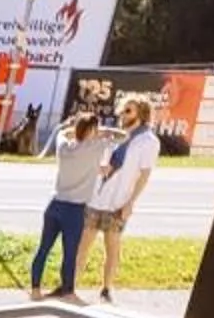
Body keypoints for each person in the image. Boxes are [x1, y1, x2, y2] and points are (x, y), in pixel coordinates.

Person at [87, 94, 161, 302]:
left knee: (112, 246)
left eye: (128, 110)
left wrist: (130, 203)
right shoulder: (113, 135)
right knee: (83, 243)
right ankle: (69, 286)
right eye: (122, 109)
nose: (123, 113)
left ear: (141, 114)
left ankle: (106, 289)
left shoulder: (148, 141)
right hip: (97, 198)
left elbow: (144, 175)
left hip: (119, 202)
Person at [29, 111, 108, 302]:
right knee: (70, 252)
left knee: (43, 249)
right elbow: (121, 136)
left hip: (55, 204)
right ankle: (68, 291)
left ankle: (35, 290)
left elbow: (61, 133)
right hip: (75, 209)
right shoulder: (96, 147)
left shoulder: (64, 148)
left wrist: (72, 129)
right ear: (92, 130)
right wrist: (101, 132)